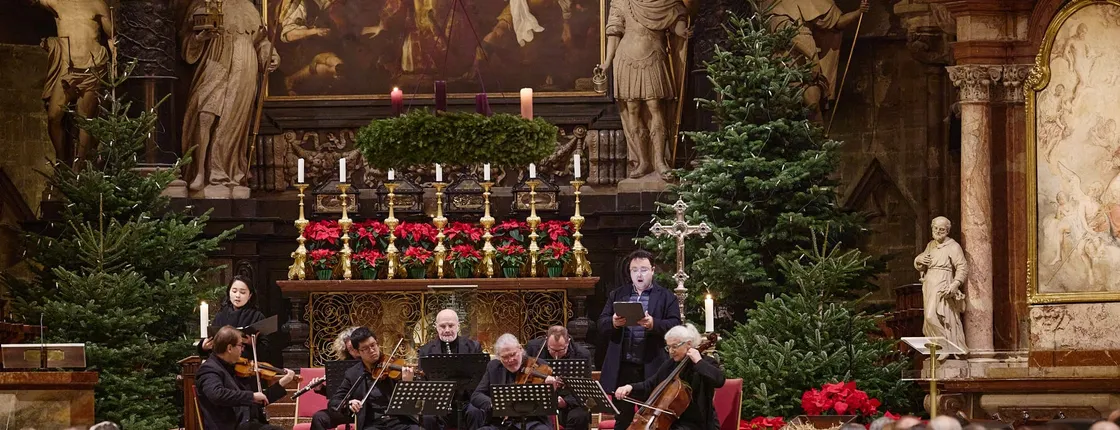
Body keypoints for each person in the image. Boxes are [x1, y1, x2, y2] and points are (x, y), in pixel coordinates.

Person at [597, 249, 681, 429]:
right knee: (623, 420)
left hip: (652, 365)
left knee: (652, 419)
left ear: (652, 270)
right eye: (634, 270)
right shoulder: (618, 294)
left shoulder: (666, 296)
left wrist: (653, 324)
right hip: (623, 367)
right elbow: (601, 324)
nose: (639, 274)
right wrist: (613, 322)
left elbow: (675, 325)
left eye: (643, 269)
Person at [32, 0, 114, 166]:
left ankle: (79, 168)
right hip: (67, 70)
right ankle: (61, 161)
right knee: (54, 116)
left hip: (92, 69)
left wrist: (117, 67)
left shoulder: (97, 4)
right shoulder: (57, 2)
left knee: (84, 120)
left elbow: (112, 37)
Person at [613, 324, 724, 430]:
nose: (671, 351)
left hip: (698, 423)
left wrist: (698, 361)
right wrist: (630, 387)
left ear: (689, 344)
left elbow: (720, 380)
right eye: (668, 347)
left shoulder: (706, 362)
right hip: (674, 422)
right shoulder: (670, 365)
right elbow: (651, 384)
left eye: (674, 347)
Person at [196, 326, 297, 430]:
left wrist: (281, 383)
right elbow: (217, 394)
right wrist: (251, 396)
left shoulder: (232, 368)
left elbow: (258, 400)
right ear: (229, 348)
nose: (243, 349)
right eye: (240, 345)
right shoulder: (209, 369)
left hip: (246, 423)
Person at [328, 327, 422, 430]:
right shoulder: (353, 374)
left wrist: (407, 383)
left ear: (377, 343)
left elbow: (417, 403)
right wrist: (349, 403)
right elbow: (334, 401)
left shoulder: (392, 364)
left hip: (399, 421)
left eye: (373, 345)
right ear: (358, 352)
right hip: (372, 425)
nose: (372, 350)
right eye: (365, 348)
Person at [466, 333, 559, 430]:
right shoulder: (493, 367)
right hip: (501, 424)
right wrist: (494, 403)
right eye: (505, 357)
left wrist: (551, 390)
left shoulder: (540, 365)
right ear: (499, 357)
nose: (510, 360)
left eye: (513, 354)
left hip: (532, 422)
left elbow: (551, 404)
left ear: (520, 349)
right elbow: (476, 395)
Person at [416, 309, 483, 430]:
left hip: (467, 400)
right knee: (428, 417)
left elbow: (480, 378)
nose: (447, 330)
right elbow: (422, 381)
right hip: (439, 402)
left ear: (458, 326)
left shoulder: (473, 347)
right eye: (442, 326)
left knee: (476, 412)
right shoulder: (425, 350)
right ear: (436, 327)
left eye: (451, 325)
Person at [913, 217, 968, 353]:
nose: (938, 231)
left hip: (943, 282)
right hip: (929, 284)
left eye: (942, 229)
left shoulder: (953, 246)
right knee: (928, 318)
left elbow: (962, 267)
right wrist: (918, 260)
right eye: (935, 228)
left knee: (933, 315)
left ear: (947, 231)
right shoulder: (930, 245)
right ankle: (937, 347)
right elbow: (921, 264)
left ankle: (945, 345)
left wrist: (956, 284)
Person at [525, 326, 591, 430]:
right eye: (552, 349)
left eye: (560, 350)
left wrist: (565, 402)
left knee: (580, 416)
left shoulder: (582, 354)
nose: (556, 354)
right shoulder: (533, 348)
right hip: (541, 399)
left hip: (569, 401)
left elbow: (584, 388)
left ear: (568, 342)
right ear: (546, 341)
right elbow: (525, 377)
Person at [199, 277, 270, 360]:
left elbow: (268, 350)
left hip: (247, 366)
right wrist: (204, 347)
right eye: (234, 291)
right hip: (222, 365)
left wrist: (252, 344)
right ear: (229, 292)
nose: (237, 295)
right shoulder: (221, 315)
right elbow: (212, 343)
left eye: (242, 292)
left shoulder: (257, 316)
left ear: (250, 295)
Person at [309, 326, 360, 430]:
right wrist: (321, 388)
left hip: (367, 408)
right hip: (347, 408)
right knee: (319, 417)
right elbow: (338, 392)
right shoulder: (344, 366)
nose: (355, 351)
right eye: (350, 349)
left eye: (356, 347)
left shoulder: (371, 364)